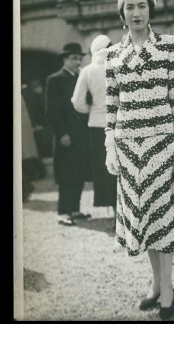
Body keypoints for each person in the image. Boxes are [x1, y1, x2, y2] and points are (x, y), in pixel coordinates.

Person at [105, 0, 174, 320]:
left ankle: (167, 289)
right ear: (122, 13)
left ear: (150, 9)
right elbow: (112, 105)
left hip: (160, 143)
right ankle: (155, 285)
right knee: (142, 218)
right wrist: (109, 147)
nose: (137, 13)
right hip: (127, 145)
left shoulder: (168, 46)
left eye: (142, 6)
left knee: (163, 217)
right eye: (130, 7)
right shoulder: (113, 54)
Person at [71, 34, 117, 224]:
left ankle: (115, 215)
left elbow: (77, 102)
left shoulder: (87, 71)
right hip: (122, 123)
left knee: (106, 170)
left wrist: (93, 110)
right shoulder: (120, 65)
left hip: (98, 126)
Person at [45, 42, 92, 226]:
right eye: (74, 58)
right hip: (65, 134)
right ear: (65, 59)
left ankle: (75, 209)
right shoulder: (55, 79)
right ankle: (63, 211)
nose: (77, 62)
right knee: (66, 174)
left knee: (79, 171)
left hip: (81, 133)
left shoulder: (81, 78)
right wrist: (61, 133)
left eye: (80, 58)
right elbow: (52, 111)